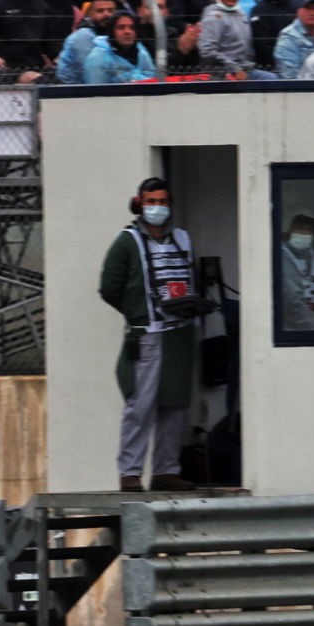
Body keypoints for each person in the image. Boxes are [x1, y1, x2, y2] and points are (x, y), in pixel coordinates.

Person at [99, 178, 201, 491]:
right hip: (148, 334)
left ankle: (165, 471)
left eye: (162, 202)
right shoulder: (127, 241)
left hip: (179, 332)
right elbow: (109, 288)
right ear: (140, 204)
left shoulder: (182, 238)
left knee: (175, 405)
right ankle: (130, 473)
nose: (157, 208)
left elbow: (191, 276)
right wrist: (138, 312)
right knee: (140, 406)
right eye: (151, 202)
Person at [199, 0, 273, 76]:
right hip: (222, 74)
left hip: (245, 69)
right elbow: (207, 51)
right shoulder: (213, 17)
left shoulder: (241, 14)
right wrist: (235, 69)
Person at [83, 7, 158, 81]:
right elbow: (96, 87)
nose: (127, 32)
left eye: (132, 28)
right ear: (112, 31)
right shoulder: (98, 58)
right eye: (121, 28)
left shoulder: (140, 50)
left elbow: (151, 78)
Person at [273, 0, 314, 76]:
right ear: (298, 11)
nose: (313, 13)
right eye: (308, 8)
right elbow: (289, 76)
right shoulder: (288, 37)